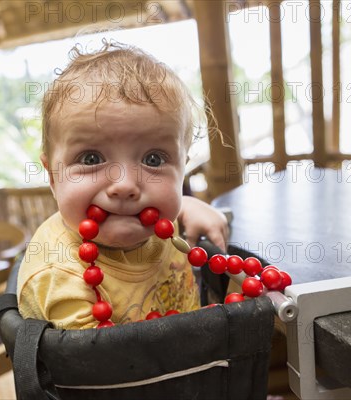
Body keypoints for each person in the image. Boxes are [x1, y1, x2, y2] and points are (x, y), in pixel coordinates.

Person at [17, 41, 229, 329]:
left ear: (182, 170)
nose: (125, 185)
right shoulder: (59, 277)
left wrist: (188, 205)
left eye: (153, 160)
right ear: (53, 177)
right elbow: (97, 368)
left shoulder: (159, 220)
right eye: (91, 158)